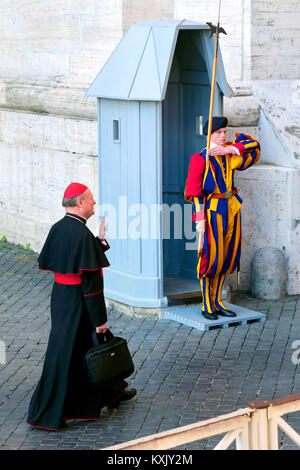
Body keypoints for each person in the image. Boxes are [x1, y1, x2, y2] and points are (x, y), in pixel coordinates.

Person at [26, 182, 136, 431]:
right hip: (79, 302)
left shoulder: (60, 228)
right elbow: (91, 284)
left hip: (61, 297)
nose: (94, 202)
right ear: (79, 203)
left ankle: (112, 393)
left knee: (84, 348)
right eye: (91, 199)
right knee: (71, 352)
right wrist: (100, 320)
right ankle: (46, 413)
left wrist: (99, 240)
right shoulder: (81, 234)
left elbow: (70, 259)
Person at [184, 117, 260, 320]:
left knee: (227, 256)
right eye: (218, 133)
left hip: (232, 209)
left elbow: (254, 148)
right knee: (211, 257)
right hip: (212, 212)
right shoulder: (200, 158)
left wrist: (230, 149)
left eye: (225, 132)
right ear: (209, 135)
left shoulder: (228, 154)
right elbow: (194, 191)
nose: (223, 136)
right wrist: (199, 219)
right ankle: (207, 304)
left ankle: (217, 301)